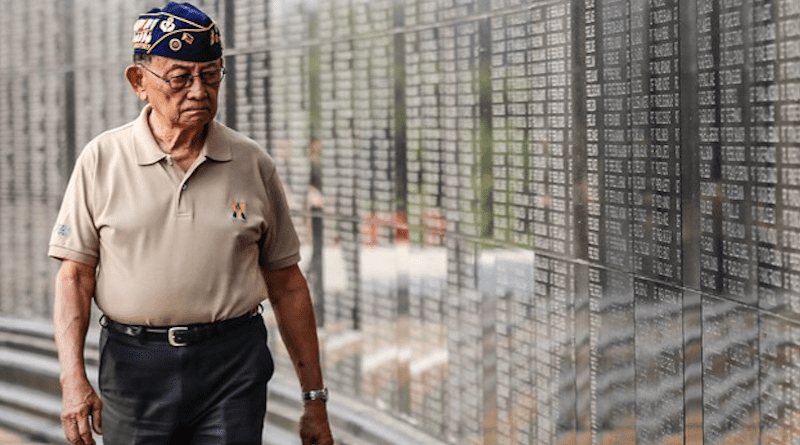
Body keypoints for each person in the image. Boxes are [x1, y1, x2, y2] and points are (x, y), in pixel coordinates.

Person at [48, 3, 334, 444]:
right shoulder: (102, 161)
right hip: (133, 367)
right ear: (139, 82)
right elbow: (74, 277)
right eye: (181, 78)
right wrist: (72, 379)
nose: (199, 91)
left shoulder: (252, 163)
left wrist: (314, 399)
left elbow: (288, 284)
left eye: (212, 74)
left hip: (232, 366)